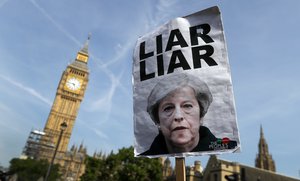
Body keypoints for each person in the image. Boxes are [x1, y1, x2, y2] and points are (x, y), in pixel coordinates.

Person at [140, 73, 237, 156]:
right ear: (157, 121)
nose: (178, 116)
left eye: (187, 106)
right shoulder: (145, 159)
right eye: (168, 108)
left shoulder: (231, 149)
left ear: (201, 115)